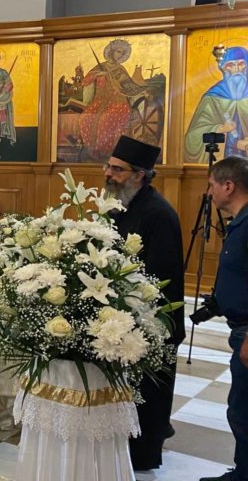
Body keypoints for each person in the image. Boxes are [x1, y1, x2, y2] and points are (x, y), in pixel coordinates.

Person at [103, 135, 184, 471]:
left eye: (117, 170)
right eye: (107, 166)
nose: (108, 174)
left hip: (152, 322)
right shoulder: (119, 203)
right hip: (118, 317)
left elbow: (159, 278)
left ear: (139, 174)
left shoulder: (158, 214)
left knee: (148, 395)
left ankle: (144, 455)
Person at [201, 156, 248, 481]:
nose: (209, 193)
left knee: (244, 410)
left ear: (228, 186)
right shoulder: (239, 222)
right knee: (241, 408)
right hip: (239, 328)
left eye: (212, 185)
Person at [185, 47, 248, 163]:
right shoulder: (212, 97)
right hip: (222, 164)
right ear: (224, 68)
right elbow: (192, 137)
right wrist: (220, 129)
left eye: (241, 64)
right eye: (231, 65)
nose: (237, 69)